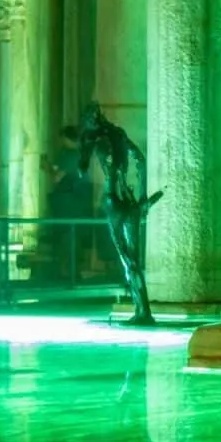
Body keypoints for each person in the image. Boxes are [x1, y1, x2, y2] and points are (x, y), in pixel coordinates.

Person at [76, 102, 161, 326]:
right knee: (134, 258)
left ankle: (141, 311)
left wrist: (84, 156)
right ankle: (144, 311)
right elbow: (141, 161)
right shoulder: (118, 134)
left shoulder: (91, 137)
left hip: (113, 199)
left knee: (126, 258)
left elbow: (81, 168)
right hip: (130, 200)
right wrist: (143, 198)